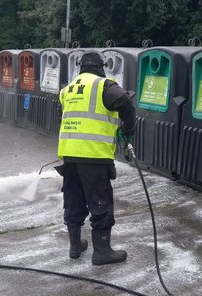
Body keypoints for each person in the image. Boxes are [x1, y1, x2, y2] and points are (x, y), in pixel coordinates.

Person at [56, 51, 137, 265]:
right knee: (100, 202)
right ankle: (101, 252)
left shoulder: (68, 89)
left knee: (73, 199)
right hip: (93, 154)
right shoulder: (104, 85)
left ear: (81, 67)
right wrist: (129, 129)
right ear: (101, 67)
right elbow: (123, 100)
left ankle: (75, 246)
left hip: (69, 153)